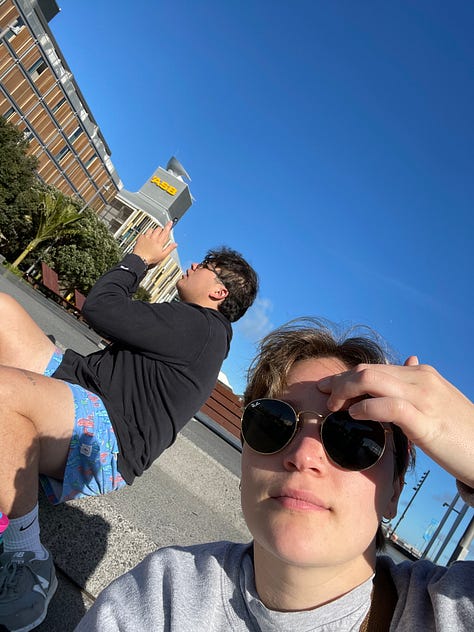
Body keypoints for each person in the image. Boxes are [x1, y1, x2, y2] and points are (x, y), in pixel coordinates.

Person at [75, 318, 474, 631]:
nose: (303, 455)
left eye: (354, 436)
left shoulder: (450, 612)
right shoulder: (164, 594)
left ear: (394, 493)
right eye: (273, 422)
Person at [0, 221, 258, 632]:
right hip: (80, 387)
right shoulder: (196, 327)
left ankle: (27, 555)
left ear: (219, 292)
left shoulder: (201, 328)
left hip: (105, 438)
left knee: (3, 393)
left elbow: (101, 307)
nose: (193, 265)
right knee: (3, 311)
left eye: (206, 266)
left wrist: (139, 258)